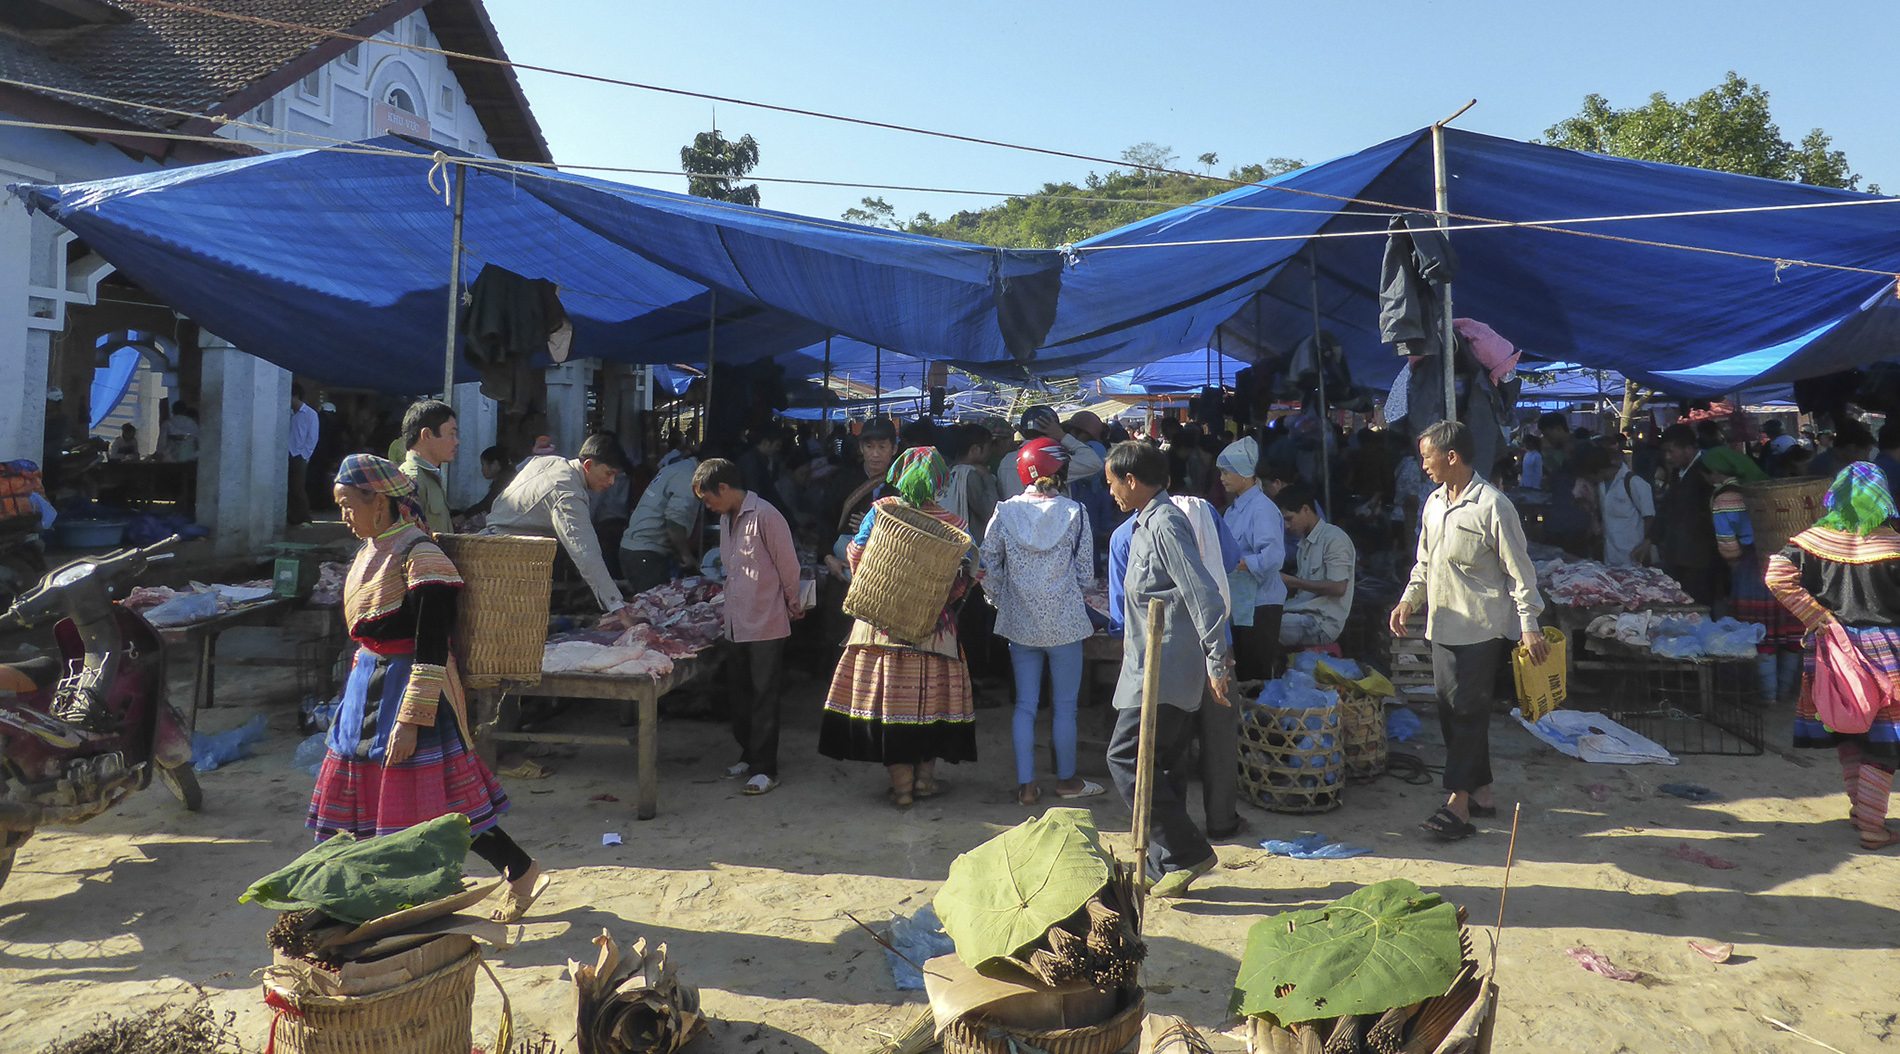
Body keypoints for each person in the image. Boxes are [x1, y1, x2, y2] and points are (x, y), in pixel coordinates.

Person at [309, 455, 548, 923]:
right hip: (367, 685)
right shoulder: (372, 549)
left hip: (413, 690)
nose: (343, 516)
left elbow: (432, 647)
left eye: (346, 505)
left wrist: (411, 720)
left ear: (378, 502)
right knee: (373, 800)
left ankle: (519, 871)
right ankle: (379, 899)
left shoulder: (423, 557)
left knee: (444, 806)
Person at [1391, 421, 1546, 842]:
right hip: (1442, 625)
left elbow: (1520, 571)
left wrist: (1529, 624)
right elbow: (1423, 563)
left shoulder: (1493, 506)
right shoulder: (1434, 504)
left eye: (1428, 456)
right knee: (1448, 710)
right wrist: (1409, 600)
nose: (1423, 464)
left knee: (1469, 714)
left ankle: (1457, 802)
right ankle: (1482, 791)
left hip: (1483, 627)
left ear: (1452, 457)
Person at [1102, 440, 1234, 897]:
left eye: (1113, 483)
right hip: (1150, 665)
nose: (1111, 493)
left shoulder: (1165, 523)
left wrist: (1218, 659)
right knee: (1163, 765)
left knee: (1124, 758)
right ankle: (1164, 864)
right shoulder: (1143, 524)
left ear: (1132, 480)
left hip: (1165, 669)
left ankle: (1186, 852)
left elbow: (1204, 592)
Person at [818, 448, 977, 807]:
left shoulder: (881, 511)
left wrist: (876, 584)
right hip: (935, 632)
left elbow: (856, 555)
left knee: (891, 708)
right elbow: (969, 572)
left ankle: (902, 790)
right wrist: (943, 596)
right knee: (931, 706)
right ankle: (924, 782)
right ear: (939, 482)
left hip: (880, 629)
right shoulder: (955, 524)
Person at [1766, 463, 1900, 851]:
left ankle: (1862, 809)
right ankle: (1873, 826)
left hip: (1833, 649)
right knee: (1883, 741)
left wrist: (1817, 617)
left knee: (1848, 728)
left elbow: (1776, 576)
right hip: (1889, 653)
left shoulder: (1811, 540)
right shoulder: (1894, 543)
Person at [981, 439, 1103, 806]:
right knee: (1066, 706)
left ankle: (1027, 788)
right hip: (1066, 625)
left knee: (1025, 706)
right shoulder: (1075, 512)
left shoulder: (1004, 512)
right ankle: (1067, 782)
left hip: (1019, 624)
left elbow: (987, 567)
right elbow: (1085, 575)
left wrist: (1000, 599)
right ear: (1060, 473)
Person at [694, 458, 802, 796]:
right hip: (736, 621)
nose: (708, 506)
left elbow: (789, 567)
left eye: (709, 498)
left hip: (767, 620)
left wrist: (793, 603)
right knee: (738, 693)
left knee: (764, 696)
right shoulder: (728, 519)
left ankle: (764, 768)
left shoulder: (767, 515)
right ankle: (748, 753)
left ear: (723, 488)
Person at [488, 434, 632, 623]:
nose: (612, 482)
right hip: (506, 561)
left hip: (500, 547)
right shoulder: (568, 493)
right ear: (588, 466)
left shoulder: (551, 462)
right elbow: (586, 554)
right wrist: (619, 609)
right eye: (608, 473)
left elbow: (522, 466)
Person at [1702, 447, 1803, 701]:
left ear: (1714, 473)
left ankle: (1768, 698)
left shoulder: (1725, 498)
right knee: (1791, 631)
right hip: (1786, 562)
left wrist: (1735, 566)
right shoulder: (1766, 487)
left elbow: (1727, 542)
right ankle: (1785, 691)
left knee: (1761, 631)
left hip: (1752, 566)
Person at [1216, 436, 1285, 680]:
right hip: (1243, 603)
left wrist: (1239, 564)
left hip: (1260, 604)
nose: (1222, 478)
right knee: (1243, 670)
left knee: (1256, 674)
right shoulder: (1236, 508)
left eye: (1226, 472)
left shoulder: (1261, 508)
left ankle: (1258, 718)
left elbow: (1273, 557)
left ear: (1244, 473)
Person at [1278, 484, 1356, 648]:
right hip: (1301, 613)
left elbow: (1338, 587)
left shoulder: (1334, 539)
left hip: (1321, 623)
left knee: (1263, 627)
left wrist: (1291, 581)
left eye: (1289, 519)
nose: (1287, 526)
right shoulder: (1304, 544)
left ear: (1306, 509)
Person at [619, 445, 701, 595]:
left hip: (635, 550)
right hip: (645, 554)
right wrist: (686, 556)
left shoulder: (677, 468)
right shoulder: (688, 477)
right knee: (654, 610)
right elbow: (674, 523)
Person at [1653, 424, 1720, 605]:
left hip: (1700, 559)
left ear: (1689, 449)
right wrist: (1651, 539)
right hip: (1679, 555)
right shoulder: (1678, 473)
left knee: (1700, 609)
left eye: (1671, 451)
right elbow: (1667, 509)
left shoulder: (1706, 472)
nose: (1667, 457)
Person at [997, 407, 1105, 501]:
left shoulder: (1006, 461)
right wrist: (1062, 436)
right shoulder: (1052, 458)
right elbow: (1095, 463)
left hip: (1014, 522)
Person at [1591, 440, 1656, 567]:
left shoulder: (1635, 483)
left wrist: (1645, 542)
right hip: (1610, 555)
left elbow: (1650, 516)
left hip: (1634, 556)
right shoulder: (1601, 486)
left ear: (1601, 470)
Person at [397, 399, 457, 535]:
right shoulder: (411, 479)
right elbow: (406, 540)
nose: (456, 441)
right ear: (427, 434)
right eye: (451, 434)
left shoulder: (429, 476)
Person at [288, 383, 318, 525]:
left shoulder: (310, 414)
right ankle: (292, 518)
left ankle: (304, 518)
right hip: (286, 454)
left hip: (299, 455)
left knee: (298, 488)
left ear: (295, 396)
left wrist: (304, 456)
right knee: (287, 488)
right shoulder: (288, 413)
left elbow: (312, 438)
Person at [1809, 418, 1875, 480]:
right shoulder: (1827, 468)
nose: (1867, 459)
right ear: (1851, 449)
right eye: (1866, 453)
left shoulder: (1827, 461)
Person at [462, 445, 515, 520]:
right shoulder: (503, 480)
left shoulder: (504, 483)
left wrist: (465, 516)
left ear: (495, 464)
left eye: (483, 465)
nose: (482, 470)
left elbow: (487, 504)